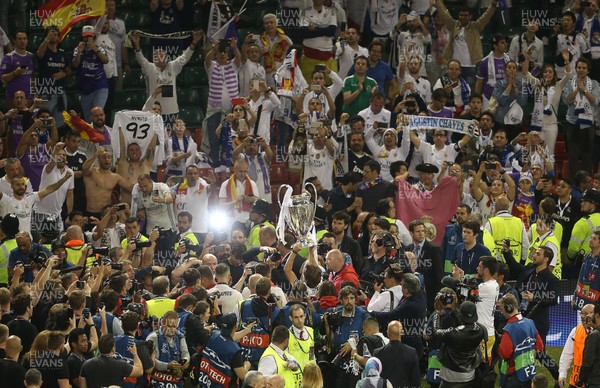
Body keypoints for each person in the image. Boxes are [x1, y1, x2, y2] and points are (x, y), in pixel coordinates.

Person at [131, 31, 202, 132]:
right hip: (154, 111)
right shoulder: (150, 68)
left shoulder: (173, 66)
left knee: (170, 137)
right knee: (155, 136)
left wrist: (194, 42)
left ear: (167, 57)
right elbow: (140, 59)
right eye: (157, 57)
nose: (160, 59)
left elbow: (185, 56)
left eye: (162, 56)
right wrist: (137, 44)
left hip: (172, 111)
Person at [433, 301, 487, 387]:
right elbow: (466, 326)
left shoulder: (454, 333)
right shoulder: (480, 330)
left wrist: (437, 313)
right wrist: (455, 310)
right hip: (469, 374)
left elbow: (436, 332)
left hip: (451, 376)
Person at [562, 57, 600, 177]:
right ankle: (574, 184)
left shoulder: (593, 84)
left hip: (588, 124)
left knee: (587, 155)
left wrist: (584, 90)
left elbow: (596, 101)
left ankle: (586, 184)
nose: (581, 70)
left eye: (584, 68)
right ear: (576, 69)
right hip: (572, 123)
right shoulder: (569, 83)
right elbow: (566, 100)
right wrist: (576, 90)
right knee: (573, 155)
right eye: (579, 67)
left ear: (588, 71)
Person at [497, 293, 545, 388]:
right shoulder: (530, 323)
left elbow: (505, 354)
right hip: (530, 374)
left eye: (501, 309)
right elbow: (540, 347)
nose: (501, 312)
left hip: (514, 376)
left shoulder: (509, 329)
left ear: (509, 308)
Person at [194, 313, 251, 387]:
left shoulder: (213, 334)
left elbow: (228, 339)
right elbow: (242, 376)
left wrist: (246, 330)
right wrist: (246, 366)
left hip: (207, 383)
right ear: (235, 326)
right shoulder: (235, 350)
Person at [82, 146, 132, 218]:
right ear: (99, 159)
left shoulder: (115, 177)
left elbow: (130, 187)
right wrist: (96, 154)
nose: (106, 160)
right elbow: (84, 167)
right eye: (104, 157)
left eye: (109, 157)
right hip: (92, 213)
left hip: (107, 213)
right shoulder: (92, 172)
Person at [367, 320, 420, 388]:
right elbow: (416, 380)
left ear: (387, 333)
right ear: (402, 333)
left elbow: (373, 380)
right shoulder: (412, 352)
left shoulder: (377, 353)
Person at [146, 310, 190, 387]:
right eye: (169, 326)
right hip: (157, 381)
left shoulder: (180, 336)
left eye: (174, 327)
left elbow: (185, 353)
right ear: (163, 323)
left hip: (175, 382)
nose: (172, 329)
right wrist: (168, 366)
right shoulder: (153, 337)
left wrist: (185, 361)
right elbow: (150, 362)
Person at [559, 304, 595, 388]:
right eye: (581, 313)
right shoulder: (576, 331)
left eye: (585, 314)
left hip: (592, 382)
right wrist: (562, 374)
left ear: (594, 315)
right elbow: (566, 354)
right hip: (575, 381)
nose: (582, 316)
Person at [0, 30, 34, 101]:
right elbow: (3, 78)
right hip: (13, 98)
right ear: (14, 41)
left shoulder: (31, 56)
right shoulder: (9, 57)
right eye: (19, 39)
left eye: (24, 38)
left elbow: (31, 77)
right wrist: (14, 73)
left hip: (28, 97)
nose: (22, 41)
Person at [569, 189, 600, 266]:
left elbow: (573, 249)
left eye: (584, 201)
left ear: (593, 205)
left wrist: (570, 258)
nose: (581, 203)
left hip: (584, 263)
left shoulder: (583, 222)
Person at [574, 231, 600, 309]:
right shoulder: (586, 256)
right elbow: (582, 277)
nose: (590, 240)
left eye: (594, 239)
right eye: (591, 238)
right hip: (583, 297)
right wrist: (575, 296)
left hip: (595, 301)